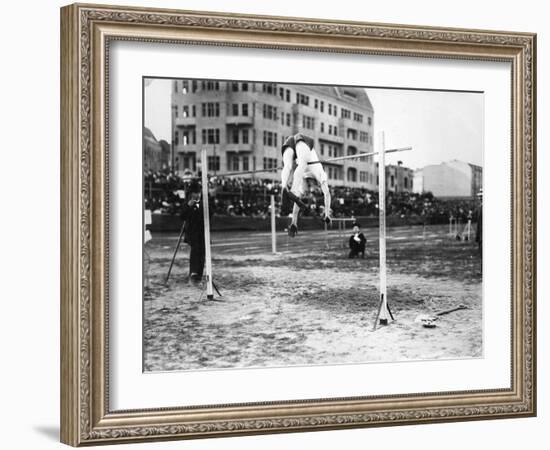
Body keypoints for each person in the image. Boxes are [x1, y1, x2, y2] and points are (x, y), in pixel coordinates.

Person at [280, 132, 332, 237]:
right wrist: (327, 213)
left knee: (288, 166)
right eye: (310, 188)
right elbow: (327, 193)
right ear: (313, 185)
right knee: (301, 163)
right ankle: (289, 189)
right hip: (303, 141)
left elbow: (297, 201)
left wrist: (294, 222)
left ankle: (284, 186)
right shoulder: (320, 172)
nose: (308, 190)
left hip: (292, 145)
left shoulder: (303, 182)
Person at [180, 181, 207, 282]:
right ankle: (193, 272)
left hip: (203, 232)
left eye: (198, 192)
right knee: (195, 250)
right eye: (195, 193)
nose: (197, 195)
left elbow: (211, 213)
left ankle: (198, 274)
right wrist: (188, 206)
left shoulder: (204, 202)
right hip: (192, 232)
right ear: (191, 194)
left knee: (202, 253)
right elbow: (182, 216)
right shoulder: (187, 203)